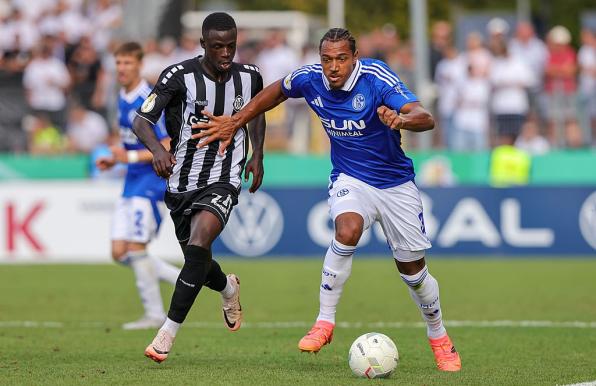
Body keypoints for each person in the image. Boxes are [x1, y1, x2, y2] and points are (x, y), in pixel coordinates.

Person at [194, 28, 461, 372]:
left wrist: (402, 119)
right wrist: (236, 122)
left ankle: (439, 337)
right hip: (350, 178)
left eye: (341, 59)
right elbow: (274, 91)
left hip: (395, 185)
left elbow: (425, 116)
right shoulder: (310, 79)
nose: (333, 67)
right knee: (346, 230)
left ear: (354, 59)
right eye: (326, 59)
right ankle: (324, 322)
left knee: (413, 272)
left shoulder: (376, 77)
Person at [131, 12, 266, 363]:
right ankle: (228, 288)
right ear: (202, 44)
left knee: (200, 241)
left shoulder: (249, 76)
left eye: (231, 46)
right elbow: (141, 120)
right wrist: (159, 150)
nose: (225, 54)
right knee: (199, 260)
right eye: (218, 47)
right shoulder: (179, 76)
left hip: (225, 176)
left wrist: (258, 155)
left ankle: (166, 333)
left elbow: (257, 112)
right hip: (181, 182)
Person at [95, 42, 181, 329]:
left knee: (136, 246)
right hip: (130, 181)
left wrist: (129, 156)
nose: (121, 68)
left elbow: (168, 145)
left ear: (139, 65)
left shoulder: (148, 98)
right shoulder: (122, 96)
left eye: (127, 63)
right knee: (120, 252)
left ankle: (155, 314)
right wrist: (114, 159)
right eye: (118, 63)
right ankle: (187, 278)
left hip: (150, 182)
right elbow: (128, 140)